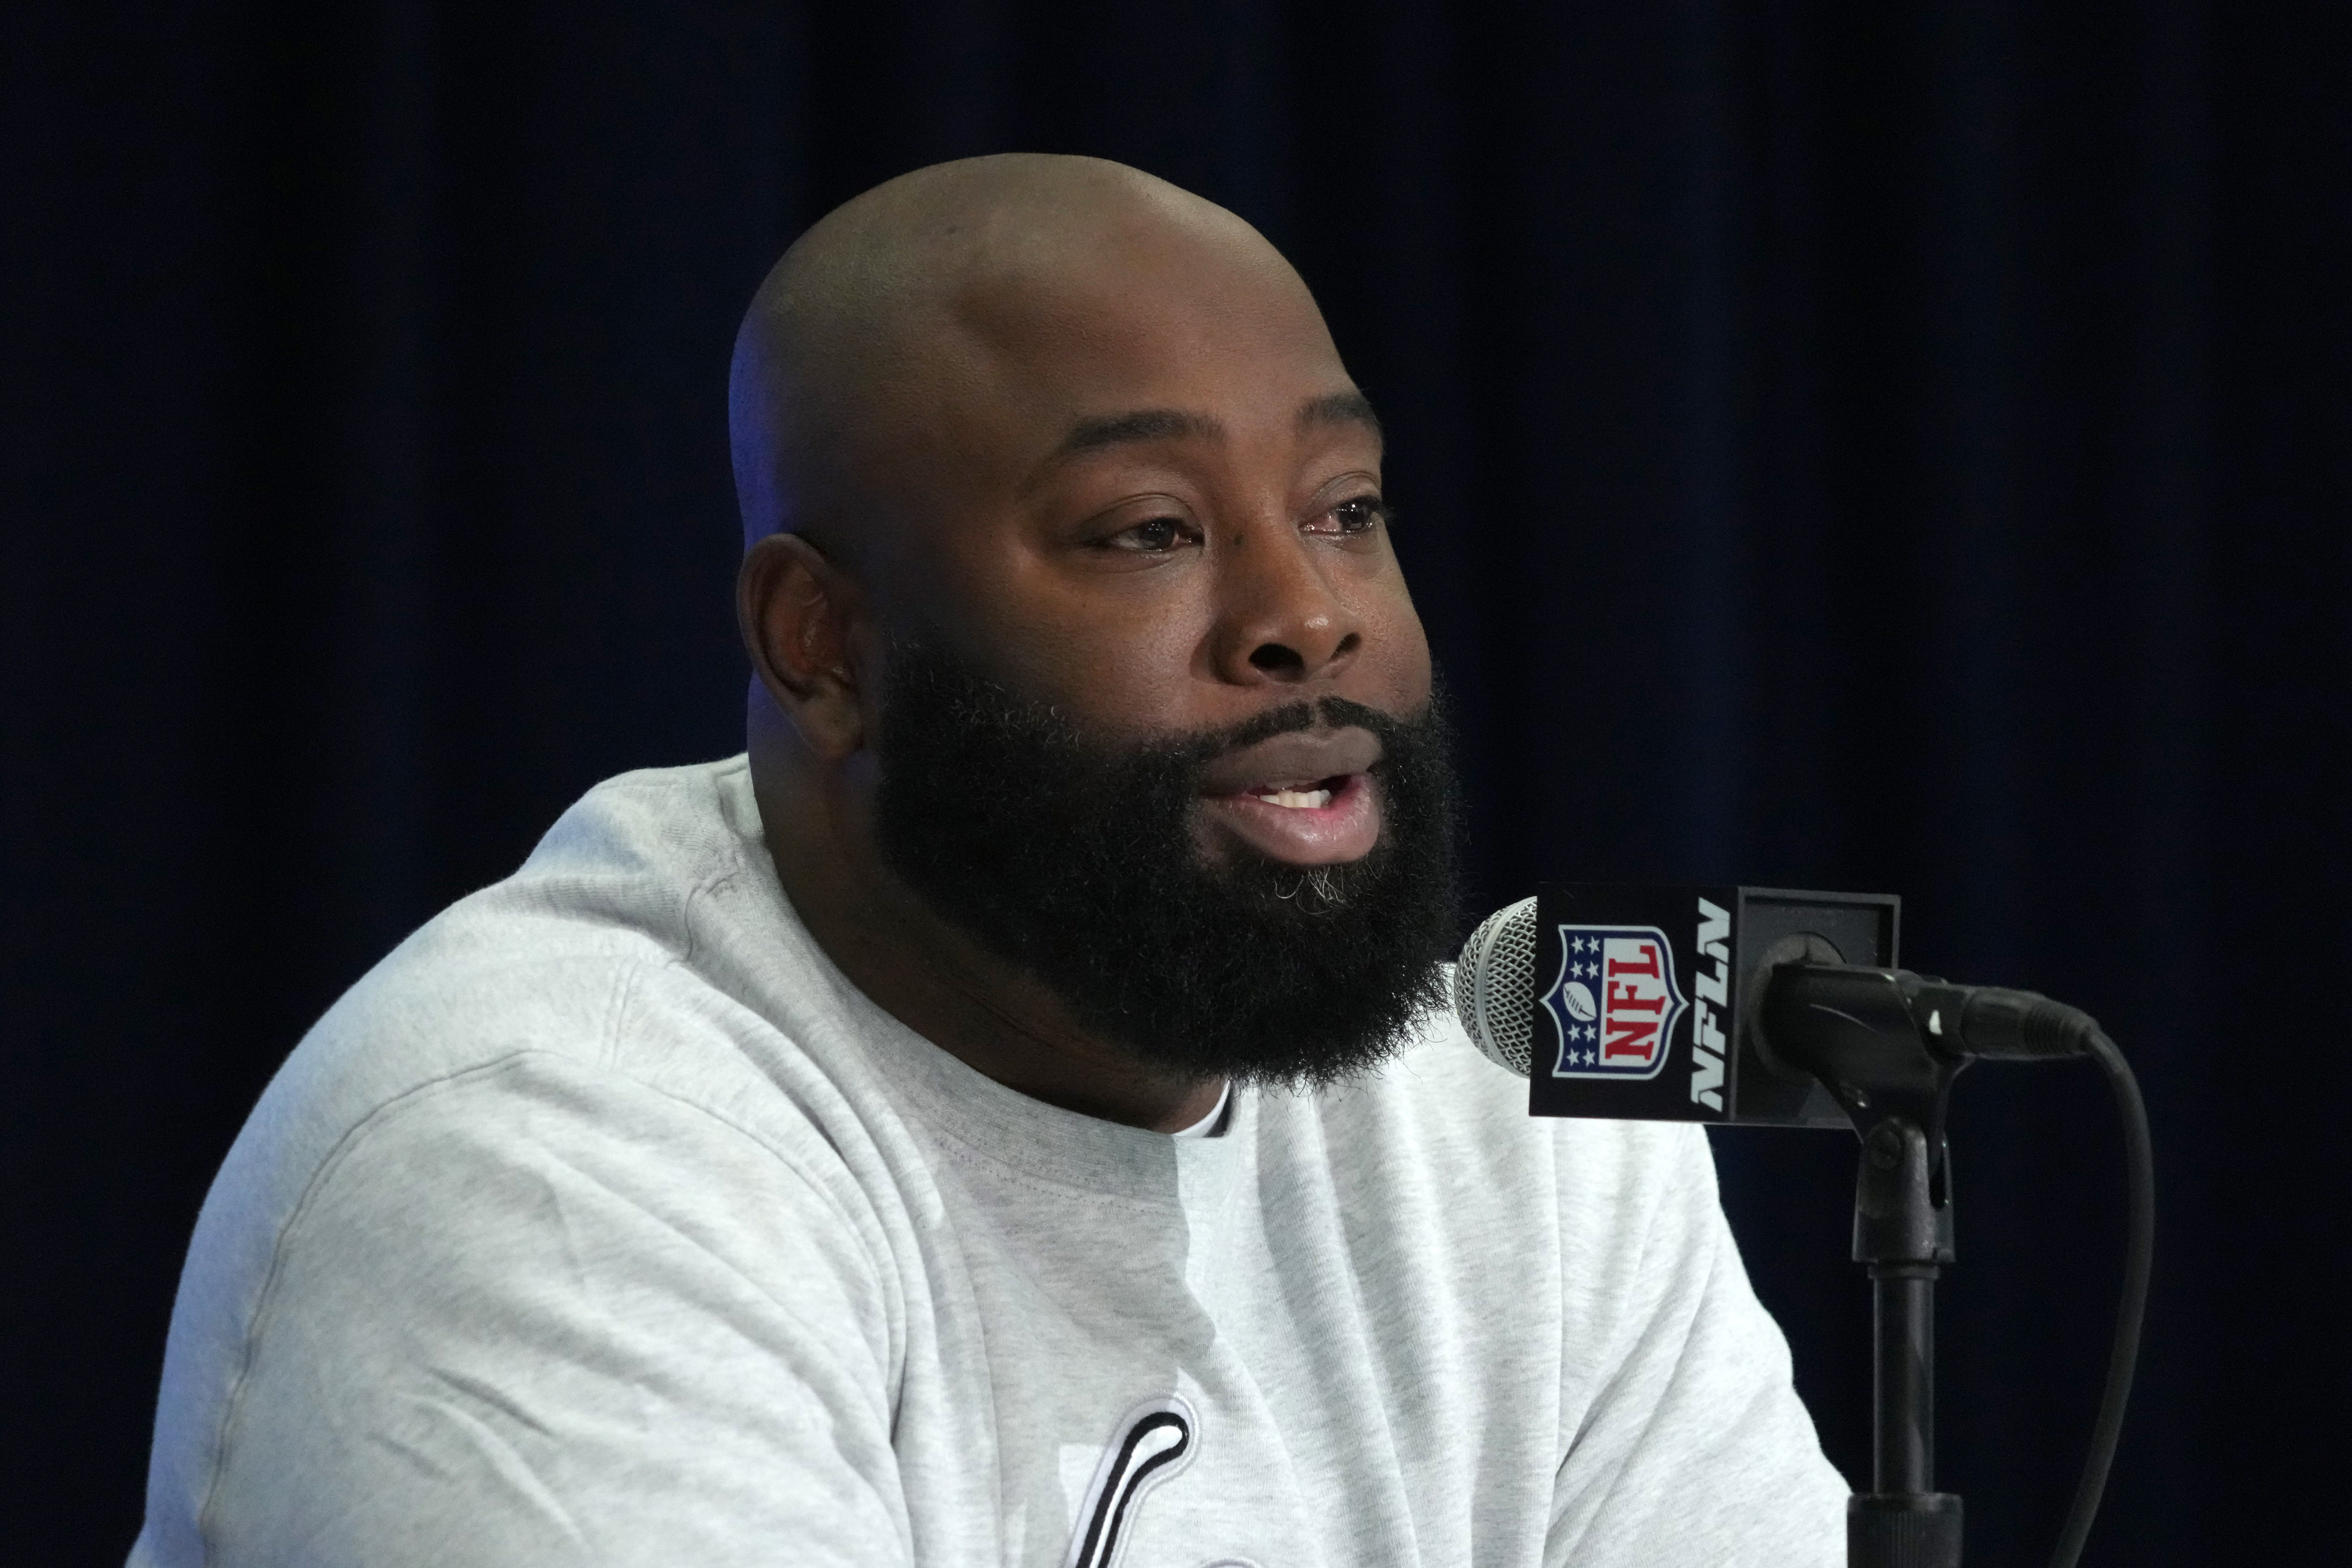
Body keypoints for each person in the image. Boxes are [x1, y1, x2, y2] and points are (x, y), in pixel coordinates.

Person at [130, 154, 1846, 1567]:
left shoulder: (1509, 1103)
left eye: (1344, 508)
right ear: (824, 644)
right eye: (1151, 532)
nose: (1302, 616)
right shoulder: (538, 1162)